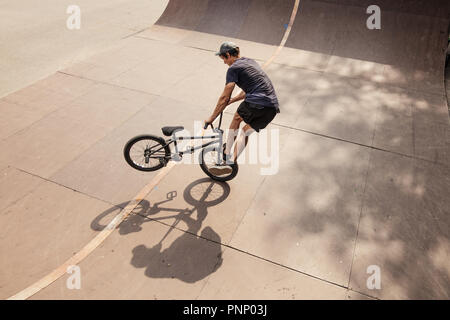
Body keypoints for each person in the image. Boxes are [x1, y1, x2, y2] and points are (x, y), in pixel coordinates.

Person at [205, 41, 280, 176]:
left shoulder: (233, 68)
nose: (224, 62)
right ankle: (230, 163)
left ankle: (226, 153)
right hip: (271, 108)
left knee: (236, 118)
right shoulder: (250, 62)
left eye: (223, 58)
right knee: (245, 132)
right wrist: (233, 101)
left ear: (228, 54)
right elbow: (247, 91)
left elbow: (224, 97)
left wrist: (212, 117)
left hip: (257, 102)